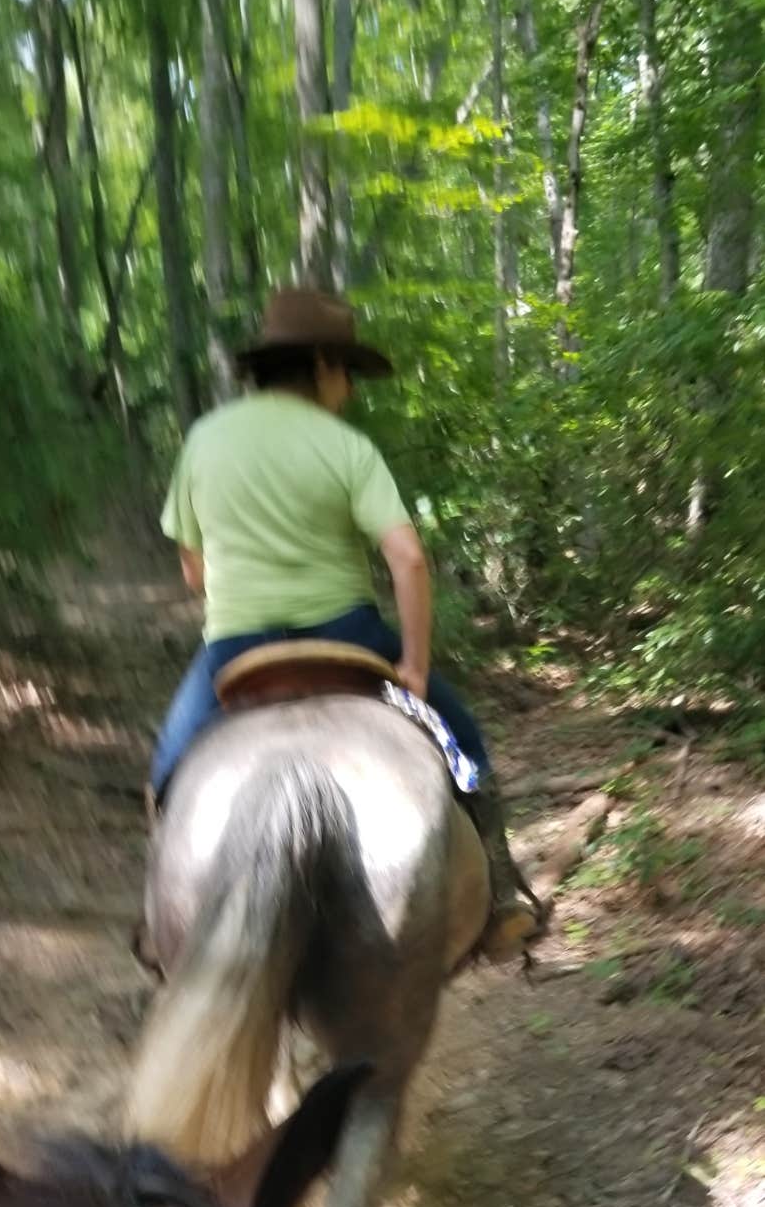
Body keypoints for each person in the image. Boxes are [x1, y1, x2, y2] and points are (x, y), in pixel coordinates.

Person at [152, 286, 544, 961]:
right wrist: (414, 668)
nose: (352, 391)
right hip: (350, 638)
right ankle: (502, 896)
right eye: (350, 376)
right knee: (466, 747)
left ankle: (162, 929)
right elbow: (408, 558)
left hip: (234, 649)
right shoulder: (346, 447)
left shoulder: (204, 440)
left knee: (164, 776)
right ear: (326, 366)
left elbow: (194, 572)